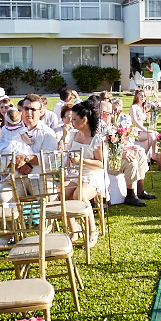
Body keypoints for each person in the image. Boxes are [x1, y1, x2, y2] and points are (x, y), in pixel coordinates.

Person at [96, 101, 154, 207]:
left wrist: (125, 149)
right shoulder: (97, 128)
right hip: (106, 159)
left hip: (114, 154)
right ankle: (130, 195)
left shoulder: (107, 124)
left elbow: (112, 143)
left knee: (139, 153)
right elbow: (100, 149)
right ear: (102, 113)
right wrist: (120, 154)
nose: (112, 115)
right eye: (110, 113)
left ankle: (140, 190)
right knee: (131, 160)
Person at [61, 102, 103, 245]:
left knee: (79, 194)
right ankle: (75, 228)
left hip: (93, 174)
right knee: (61, 192)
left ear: (84, 119)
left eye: (74, 119)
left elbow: (101, 164)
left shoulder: (96, 138)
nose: (71, 122)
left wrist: (83, 161)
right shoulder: (74, 135)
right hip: (75, 172)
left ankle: (92, 230)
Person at [130, 90, 158, 160]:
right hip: (135, 131)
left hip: (142, 130)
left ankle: (154, 156)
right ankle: (142, 156)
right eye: (140, 95)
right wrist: (146, 130)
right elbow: (134, 121)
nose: (143, 97)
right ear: (136, 96)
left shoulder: (144, 107)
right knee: (151, 135)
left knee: (156, 134)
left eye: (144, 96)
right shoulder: (133, 107)